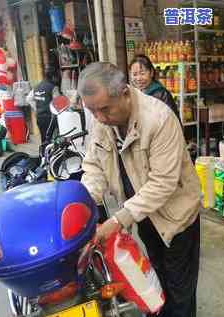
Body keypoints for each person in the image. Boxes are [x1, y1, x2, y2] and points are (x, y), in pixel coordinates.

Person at [78, 62, 201, 317]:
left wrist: (117, 220)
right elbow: (93, 165)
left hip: (176, 218)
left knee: (180, 288)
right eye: (92, 111)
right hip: (142, 214)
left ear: (124, 93)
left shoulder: (158, 118)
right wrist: (88, 198)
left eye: (104, 109)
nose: (99, 118)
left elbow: (163, 183)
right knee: (154, 276)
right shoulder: (101, 121)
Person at [129, 54, 179, 119]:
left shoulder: (161, 94)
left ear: (151, 72)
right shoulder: (136, 94)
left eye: (142, 73)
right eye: (135, 74)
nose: (138, 78)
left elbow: (172, 121)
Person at [28, 68, 60, 143]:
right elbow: (57, 102)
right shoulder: (53, 87)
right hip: (50, 117)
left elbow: (29, 99)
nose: (57, 79)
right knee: (52, 138)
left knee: (44, 137)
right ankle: (51, 153)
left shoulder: (37, 87)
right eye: (57, 76)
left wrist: (37, 108)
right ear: (53, 76)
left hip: (39, 117)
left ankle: (44, 153)